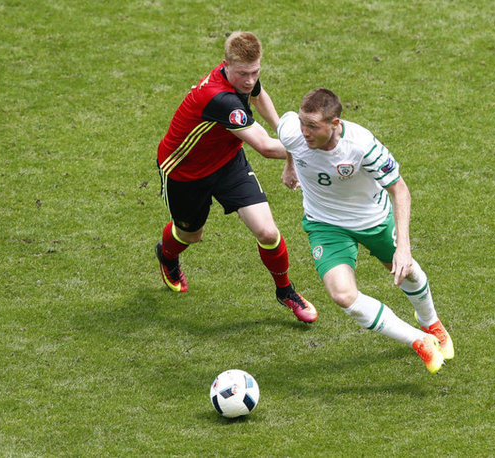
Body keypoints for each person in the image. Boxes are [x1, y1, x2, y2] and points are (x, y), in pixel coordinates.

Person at [277, 88, 454, 372]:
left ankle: (430, 322)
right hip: (325, 225)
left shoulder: (361, 145)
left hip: (372, 220)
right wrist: (289, 166)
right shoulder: (293, 132)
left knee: (406, 271)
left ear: (335, 124)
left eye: (312, 126)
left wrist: (404, 248)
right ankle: (419, 341)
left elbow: (400, 190)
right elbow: (288, 139)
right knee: (342, 295)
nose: (304, 131)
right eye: (302, 122)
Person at [155, 32, 317, 323]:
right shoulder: (220, 99)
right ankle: (166, 255)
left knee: (267, 232)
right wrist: (316, 149)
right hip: (185, 172)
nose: (250, 80)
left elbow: (258, 96)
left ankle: (286, 291)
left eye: (255, 72)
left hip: (228, 162)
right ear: (226, 65)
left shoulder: (243, 79)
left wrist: (286, 133)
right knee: (191, 235)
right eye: (243, 73)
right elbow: (265, 147)